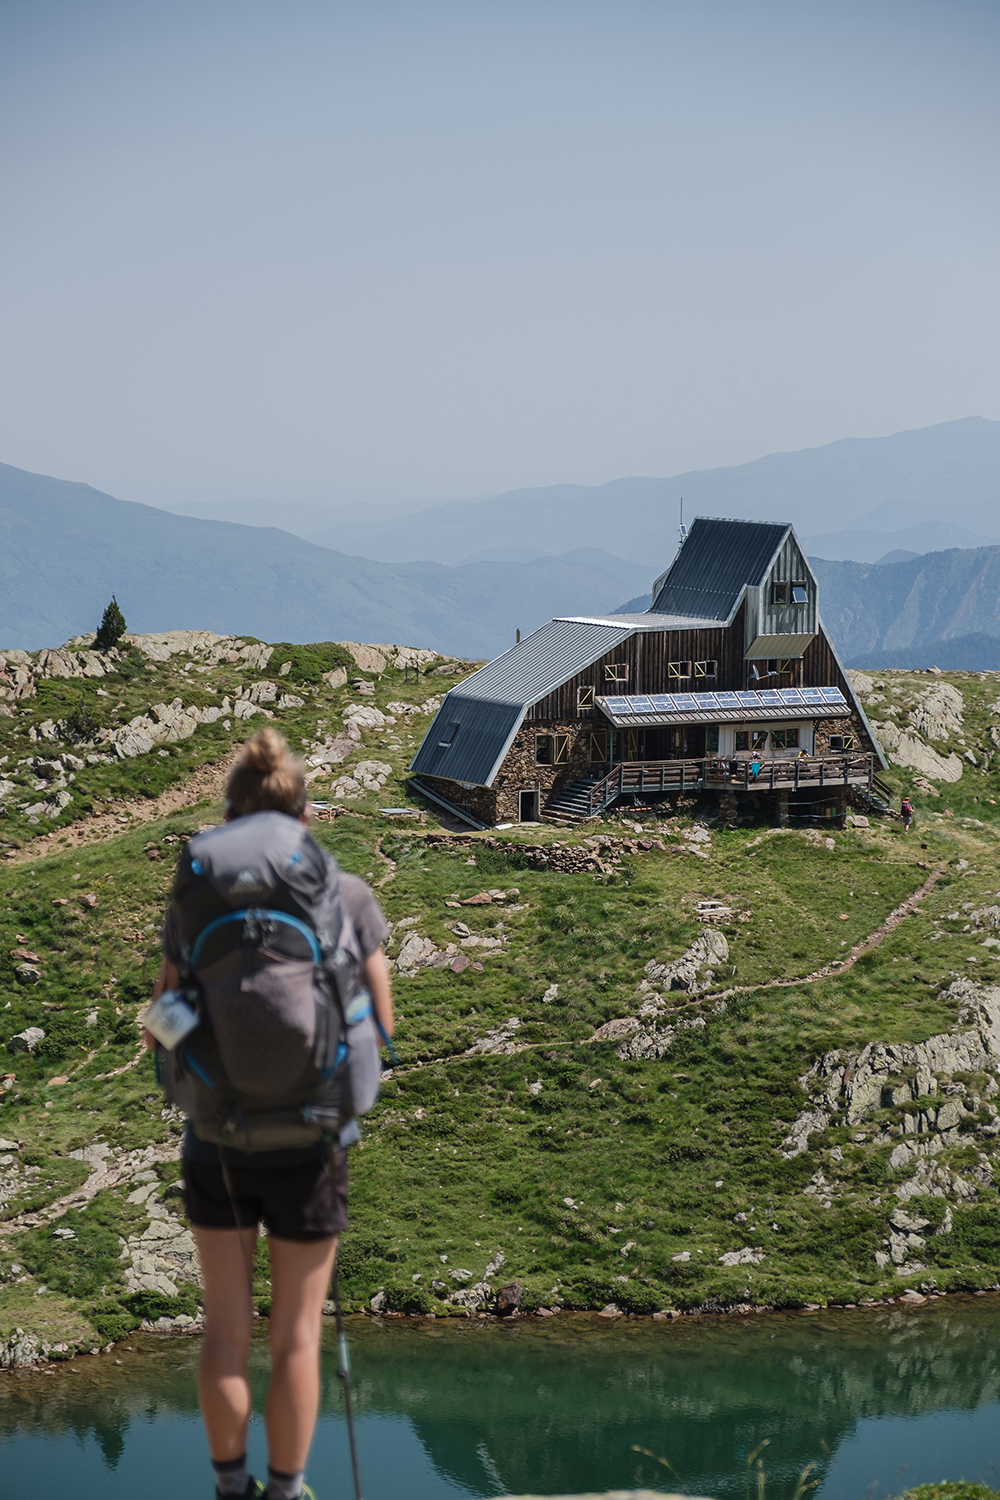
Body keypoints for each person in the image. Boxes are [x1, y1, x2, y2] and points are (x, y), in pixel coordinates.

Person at [146, 729, 393, 1500]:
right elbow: (380, 1025)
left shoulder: (196, 894)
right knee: (297, 1337)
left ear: (231, 812)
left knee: (225, 1332)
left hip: (215, 1136)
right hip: (314, 1139)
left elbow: (162, 1014)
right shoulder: (344, 893)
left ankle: (231, 1489)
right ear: (303, 814)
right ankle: (286, 1492)